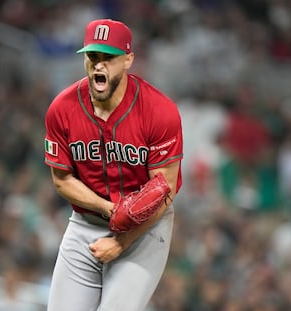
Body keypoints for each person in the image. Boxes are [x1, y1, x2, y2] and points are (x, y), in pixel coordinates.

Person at [44, 18, 183, 311]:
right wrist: (109, 210)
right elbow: (62, 180)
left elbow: (165, 188)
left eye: (108, 58)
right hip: (85, 224)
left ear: (128, 59)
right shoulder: (62, 109)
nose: (99, 65)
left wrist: (121, 242)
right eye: (93, 57)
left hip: (145, 228)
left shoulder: (159, 112)